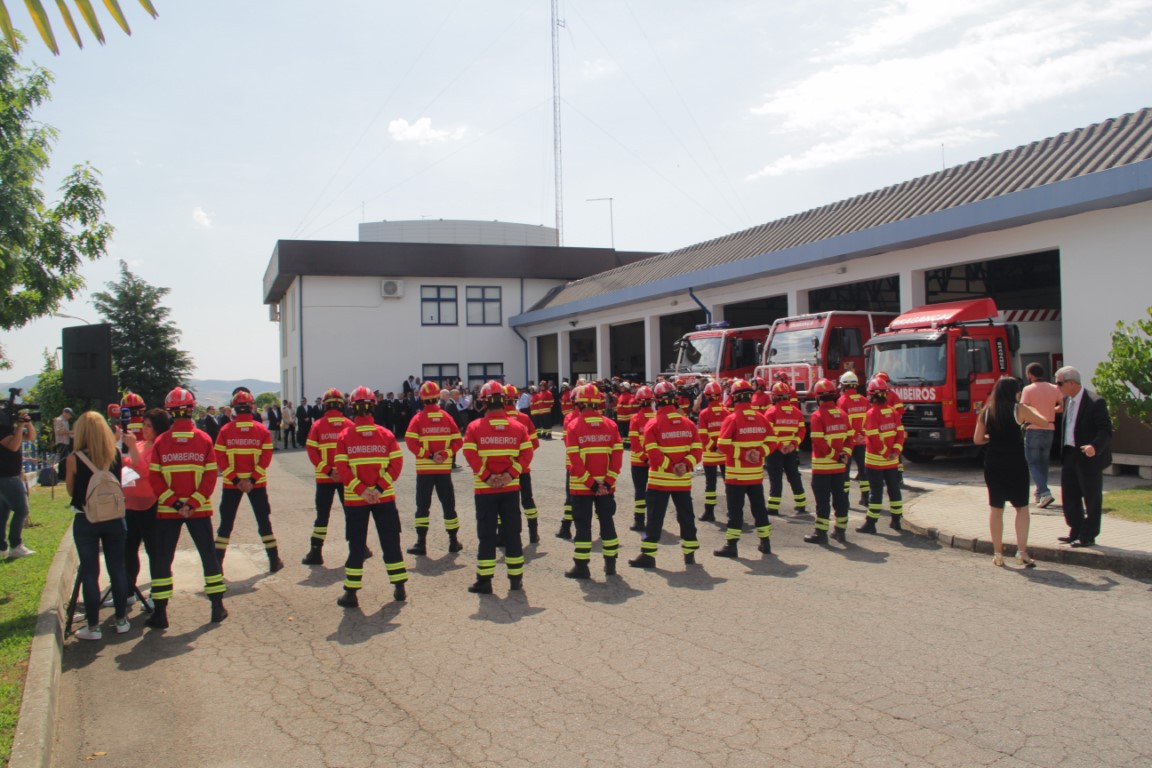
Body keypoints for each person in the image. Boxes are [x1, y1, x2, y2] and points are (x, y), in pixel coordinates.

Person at [147, 387, 227, 628]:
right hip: (198, 510)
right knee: (208, 556)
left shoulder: (161, 441)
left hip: (168, 511)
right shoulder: (203, 440)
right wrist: (192, 503)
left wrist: (175, 502)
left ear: (170, 412)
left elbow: (155, 479)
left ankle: (160, 613)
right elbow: (210, 477)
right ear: (192, 410)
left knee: (163, 558)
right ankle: (217, 606)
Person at [334, 387, 408, 607]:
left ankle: (351, 593)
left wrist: (362, 491)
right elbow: (396, 464)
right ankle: (399, 587)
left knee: (356, 545)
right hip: (383, 499)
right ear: (373, 406)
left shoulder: (345, 435)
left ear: (352, 408)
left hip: (356, 500)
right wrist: (378, 489)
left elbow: (342, 468)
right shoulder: (385, 434)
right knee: (390, 542)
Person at [461, 380, 534, 595]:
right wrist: (510, 474)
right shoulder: (518, 427)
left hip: (485, 491)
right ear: (504, 401)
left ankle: (484, 580)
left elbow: (469, 453)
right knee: (512, 533)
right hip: (510, 489)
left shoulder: (474, 427)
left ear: (483, 402)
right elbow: (527, 454)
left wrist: (487, 476)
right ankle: (515, 579)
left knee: (486, 535)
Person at [66, 412, 131, 640]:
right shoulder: (114, 454)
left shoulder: (74, 458)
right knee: (118, 569)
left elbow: (71, 490)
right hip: (115, 519)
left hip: (86, 519)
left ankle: (93, 626)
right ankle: (122, 619)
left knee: (90, 571)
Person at [974, 377, 1049, 567]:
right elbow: (1044, 421)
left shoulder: (986, 411)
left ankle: (997, 553)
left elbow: (977, 439)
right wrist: (1025, 419)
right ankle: (1022, 552)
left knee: (996, 508)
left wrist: (993, 437)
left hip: (993, 463)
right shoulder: (1019, 409)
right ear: (1013, 392)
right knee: (1021, 507)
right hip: (1015, 462)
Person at [628, 381, 703, 570]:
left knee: (654, 519)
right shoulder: (688, 423)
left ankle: (648, 556)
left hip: (660, 481)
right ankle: (689, 554)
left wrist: (670, 467)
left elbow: (653, 455)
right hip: (682, 480)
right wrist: (684, 466)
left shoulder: (653, 424)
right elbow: (697, 451)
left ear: (657, 401)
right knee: (686, 517)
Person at [213, 390, 283, 573]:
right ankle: (274, 559)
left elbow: (219, 457)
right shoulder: (261, 429)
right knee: (263, 522)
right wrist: (251, 479)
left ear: (235, 409)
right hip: (257, 484)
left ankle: (217, 564)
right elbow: (266, 457)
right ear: (251, 407)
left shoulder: (225, 430)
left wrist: (236, 479)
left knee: (226, 524)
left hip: (231, 484)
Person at [562, 384, 623, 579]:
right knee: (607, 523)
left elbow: (575, 460)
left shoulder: (573, 426)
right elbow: (617, 457)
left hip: (582, 487)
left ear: (578, 403)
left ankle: (582, 566)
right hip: (606, 487)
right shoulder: (611, 425)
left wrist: (591, 484)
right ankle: (611, 564)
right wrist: (607, 481)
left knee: (583, 526)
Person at [713, 378, 774, 557]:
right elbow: (772, 441)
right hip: (755, 475)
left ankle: (731, 545)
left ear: (733, 398)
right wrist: (760, 452)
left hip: (736, 475)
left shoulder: (732, 419)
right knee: (759, 508)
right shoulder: (761, 418)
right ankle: (765, 542)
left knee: (735, 511)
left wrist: (744, 454)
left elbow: (723, 445)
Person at [403, 380, 464, 556]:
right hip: (443, 470)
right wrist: (445, 455)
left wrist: (429, 455)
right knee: (449, 506)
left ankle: (421, 544)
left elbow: (410, 441)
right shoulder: (446, 417)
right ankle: (453, 542)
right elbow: (458, 440)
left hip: (425, 470)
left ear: (422, 398)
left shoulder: (418, 418)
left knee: (422, 507)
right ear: (438, 397)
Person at [1055, 366, 1113, 548]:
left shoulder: (1095, 401)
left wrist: (1094, 446)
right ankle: (1075, 530)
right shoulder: (1067, 400)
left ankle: (1088, 535)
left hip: (1088, 455)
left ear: (1072, 383)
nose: (1057, 387)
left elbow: (1105, 429)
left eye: (1060, 383)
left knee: (1091, 496)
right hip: (1070, 453)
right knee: (1069, 495)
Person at [302, 388, 354, 565]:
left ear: (324, 405)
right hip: (346, 479)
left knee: (322, 515)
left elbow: (311, 451)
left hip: (324, 479)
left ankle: (316, 552)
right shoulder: (349, 424)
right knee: (351, 514)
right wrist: (342, 471)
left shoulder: (317, 425)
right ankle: (358, 549)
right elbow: (354, 452)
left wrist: (328, 470)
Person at [803, 379, 854, 545]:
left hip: (822, 468)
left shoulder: (817, 416)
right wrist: (844, 454)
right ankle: (840, 532)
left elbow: (819, 442)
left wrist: (835, 455)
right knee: (841, 499)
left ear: (818, 397)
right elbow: (850, 439)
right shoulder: (843, 414)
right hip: (840, 468)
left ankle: (821, 533)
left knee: (822, 502)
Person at [858, 377, 905, 534]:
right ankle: (896, 520)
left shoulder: (871, 414)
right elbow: (900, 435)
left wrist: (885, 453)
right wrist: (895, 452)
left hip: (875, 461)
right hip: (892, 461)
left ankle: (871, 523)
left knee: (876, 492)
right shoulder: (893, 412)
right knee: (894, 489)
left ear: (871, 395)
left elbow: (874, 438)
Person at [1021, 362, 1063, 508]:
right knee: (1043, 462)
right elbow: (1061, 406)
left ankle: (1045, 492)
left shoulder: (1028, 389)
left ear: (1030, 375)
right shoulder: (1054, 388)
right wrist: (1051, 409)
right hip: (1049, 427)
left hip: (1033, 427)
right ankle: (1039, 494)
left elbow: (1023, 409)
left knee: (1032, 462)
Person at [503, 383, 541, 543]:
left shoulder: (496, 418)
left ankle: (504, 535)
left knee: (506, 504)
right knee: (527, 500)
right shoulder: (524, 418)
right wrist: (522, 459)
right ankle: (533, 533)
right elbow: (535, 443)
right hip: (523, 469)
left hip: (503, 470)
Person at [765, 381, 808, 515]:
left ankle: (773, 506)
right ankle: (801, 504)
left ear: (775, 396)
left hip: (775, 450)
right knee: (794, 475)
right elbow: (802, 431)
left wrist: (779, 446)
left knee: (775, 477)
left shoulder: (771, 412)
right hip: (791, 450)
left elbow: (768, 433)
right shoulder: (796, 412)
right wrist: (792, 445)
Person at [0, 403, 36, 560]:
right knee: (22, 510)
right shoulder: (2, 431)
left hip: (9, 476)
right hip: (7, 477)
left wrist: (27, 423)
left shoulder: (11, 430)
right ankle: (16, 545)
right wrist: (20, 426)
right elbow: (14, 446)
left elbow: (31, 437)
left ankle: (2, 547)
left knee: (3, 514)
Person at [696, 380, 729, 522]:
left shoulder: (704, 414)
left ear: (706, 396)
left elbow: (703, 435)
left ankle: (709, 512)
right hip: (725, 454)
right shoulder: (726, 412)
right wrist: (722, 448)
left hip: (710, 455)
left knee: (711, 484)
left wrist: (713, 447)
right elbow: (730, 434)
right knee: (730, 483)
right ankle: (732, 510)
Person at [837, 371, 871, 507]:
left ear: (843, 386)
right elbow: (870, 420)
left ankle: (844, 499)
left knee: (845, 472)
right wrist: (863, 435)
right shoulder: (864, 400)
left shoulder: (842, 401)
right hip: (862, 441)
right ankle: (865, 498)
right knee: (863, 471)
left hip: (848, 442)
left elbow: (841, 422)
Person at [626, 385, 656, 532]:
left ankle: (639, 521)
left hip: (639, 462)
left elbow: (635, 443)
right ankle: (652, 519)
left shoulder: (636, 418)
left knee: (639, 491)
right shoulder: (657, 417)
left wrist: (644, 458)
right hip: (656, 462)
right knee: (652, 491)